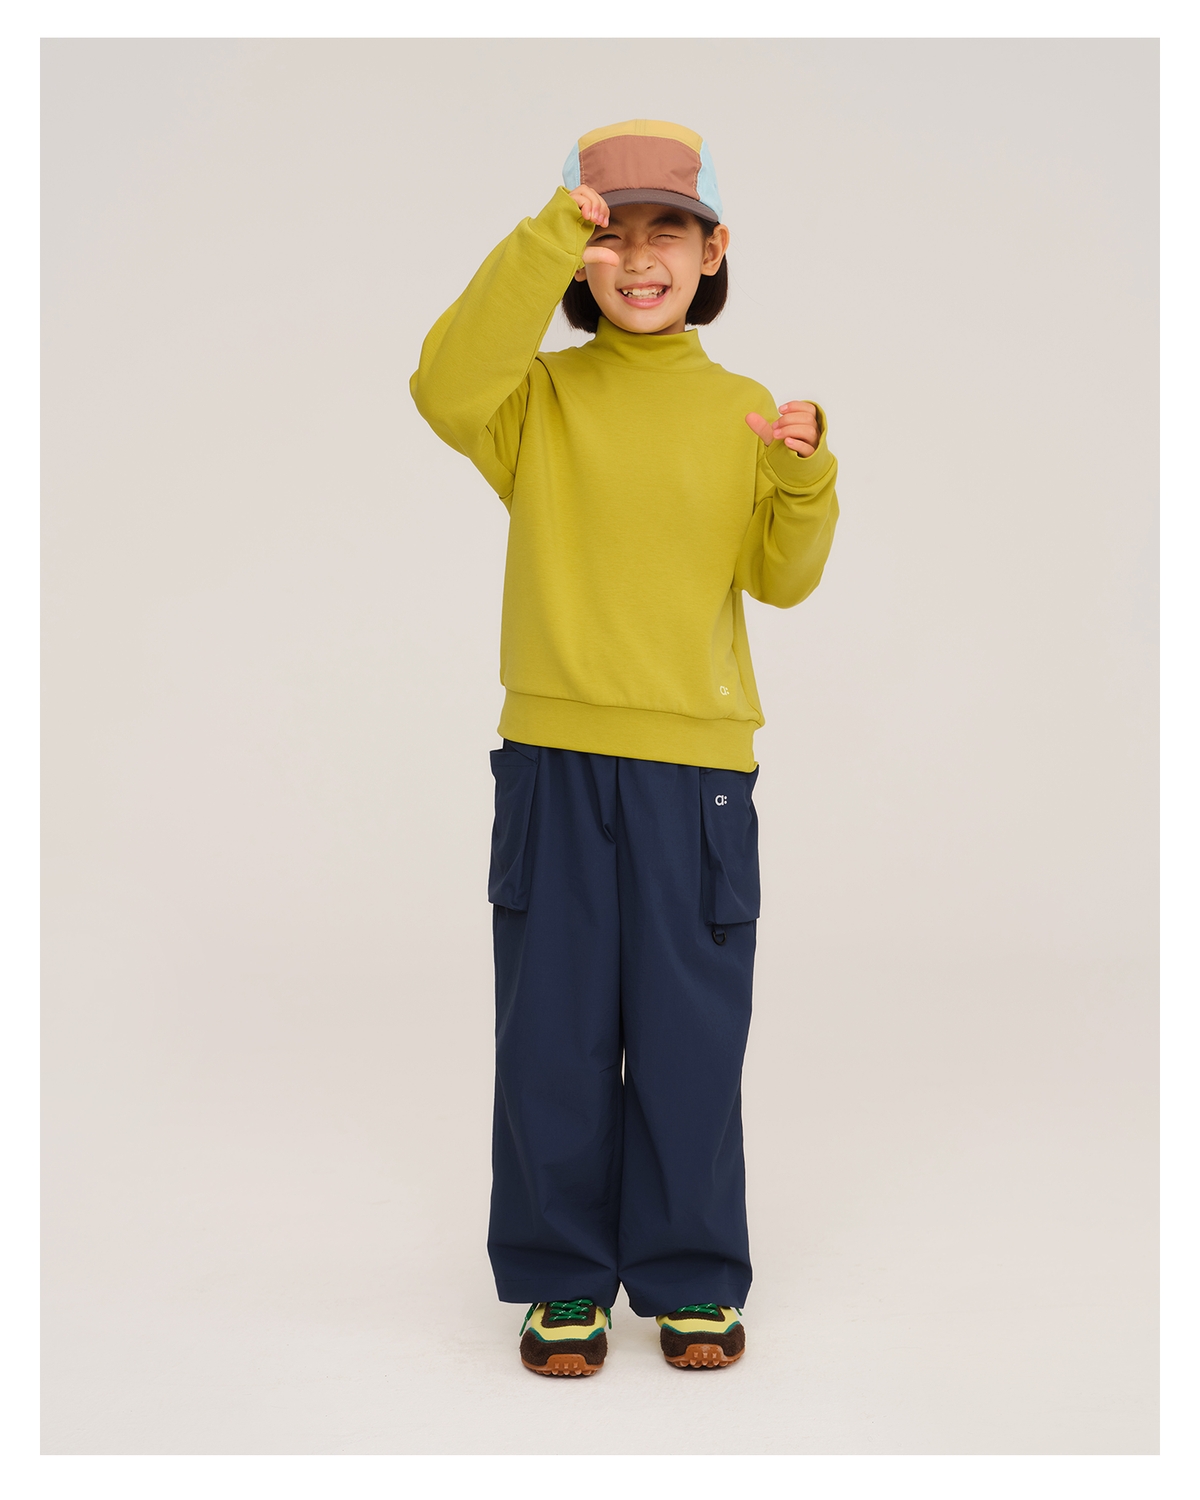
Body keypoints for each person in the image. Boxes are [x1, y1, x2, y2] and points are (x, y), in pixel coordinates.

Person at [410, 119, 839, 1376]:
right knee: (552, 1032)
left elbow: (782, 579)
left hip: (698, 777)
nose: (640, 260)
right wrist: (551, 233)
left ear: (715, 251)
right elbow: (442, 382)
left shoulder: (744, 410)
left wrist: (806, 480)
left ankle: (692, 1274)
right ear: (579, 257)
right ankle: (561, 1280)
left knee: (691, 1036)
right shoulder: (535, 399)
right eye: (613, 236)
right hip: (554, 760)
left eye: (669, 233)